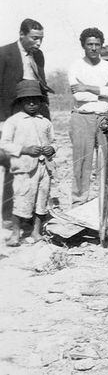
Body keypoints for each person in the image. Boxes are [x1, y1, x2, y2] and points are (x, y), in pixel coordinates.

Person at [0, 18, 52, 240]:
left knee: (38, 166)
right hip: (10, 116)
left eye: (41, 38)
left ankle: (32, 215)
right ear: (21, 34)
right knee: (15, 164)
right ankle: (10, 216)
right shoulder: (4, 54)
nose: (38, 43)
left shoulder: (38, 55)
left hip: (35, 113)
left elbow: (41, 83)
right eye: (34, 38)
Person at [68, 27, 108, 206]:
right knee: (81, 162)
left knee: (106, 161)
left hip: (104, 118)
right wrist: (102, 92)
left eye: (97, 44)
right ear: (83, 46)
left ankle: (104, 203)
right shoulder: (75, 66)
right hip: (82, 117)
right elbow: (78, 96)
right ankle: (79, 202)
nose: (93, 48)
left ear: (102, 46)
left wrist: (88, 87)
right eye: (90, 44)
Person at [0, 80, 54, 246]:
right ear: (21, 102)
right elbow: (4, 144)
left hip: (44, 167)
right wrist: (24, 149)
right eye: (27, 100)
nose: (32, 103)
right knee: (21, 199)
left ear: (40, 102)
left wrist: (52, 149)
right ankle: (16, 234)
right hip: (23, 168)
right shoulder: (14, 121)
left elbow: (54, 141)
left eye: (35, 100)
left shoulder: (45, 122)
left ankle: (36, 232)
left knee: (41, 199)